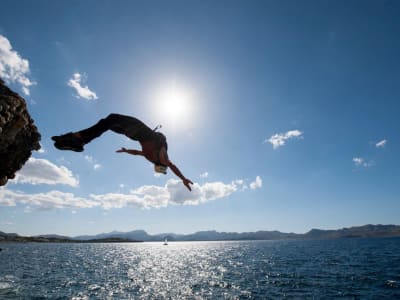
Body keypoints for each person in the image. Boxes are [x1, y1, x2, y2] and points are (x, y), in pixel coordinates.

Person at [52, 113, 193, 191]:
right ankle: (80, 140)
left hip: (136, 132)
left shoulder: (152, 158)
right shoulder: (161, 158)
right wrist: (183, 178)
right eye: (159, 170)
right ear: (160, 167)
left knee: (110, 120)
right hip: (136, 133)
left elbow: (138, 153)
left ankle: (78, 139)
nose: (157, 169)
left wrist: (127, 151)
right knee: (108, 122)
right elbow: (172, 165)